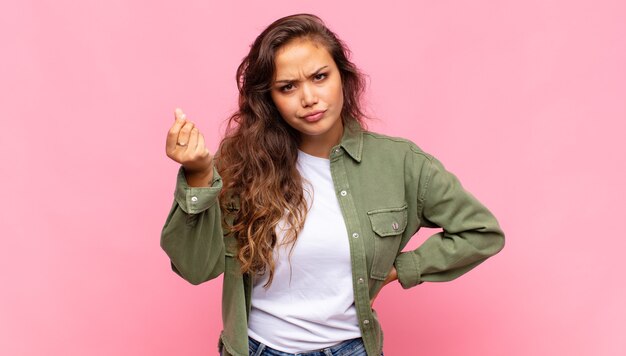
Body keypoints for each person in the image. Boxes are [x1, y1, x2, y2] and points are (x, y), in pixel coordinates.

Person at [161, 13, 505, 356]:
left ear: (344, 77)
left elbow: (481, 231)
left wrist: (402, 269)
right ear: (270, 99)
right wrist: (198, 173)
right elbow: (195, 268)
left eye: (320, 77)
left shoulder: (400, 163)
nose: (308, 97)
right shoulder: (239, 164)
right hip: (255, 349)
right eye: (287, 87)